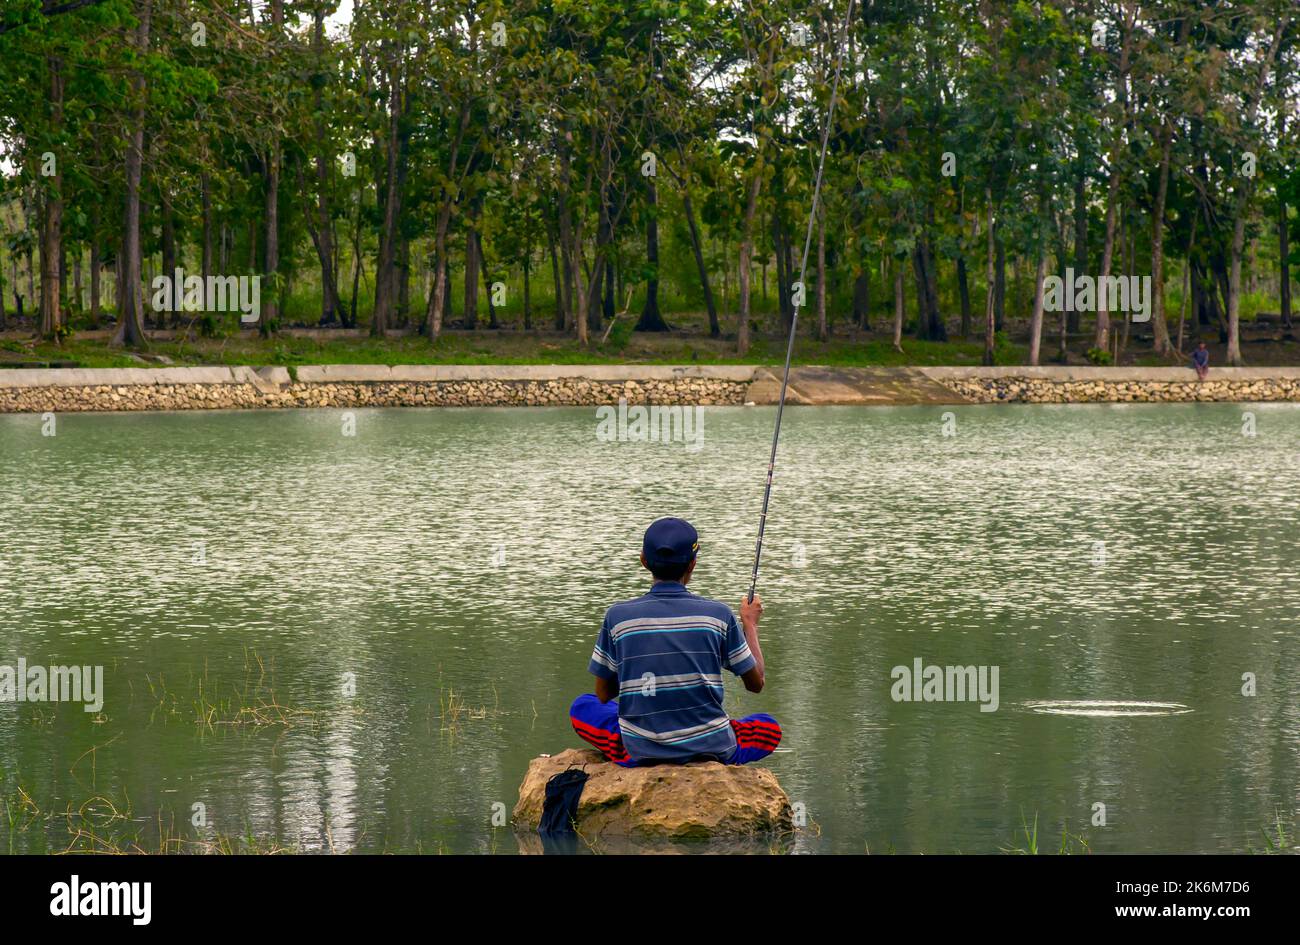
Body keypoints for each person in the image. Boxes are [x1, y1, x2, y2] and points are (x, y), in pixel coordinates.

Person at [569, 517, 781, 767]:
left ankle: (643, 748)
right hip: (711, 747)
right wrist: (750, 624)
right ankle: (706, 748)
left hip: (640, 748)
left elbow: (603, 694)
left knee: (583, 706)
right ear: (692, 563)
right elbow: (756, 683)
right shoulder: (718, 614)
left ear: (643, 560)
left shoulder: (617, 617)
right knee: (769, 727)